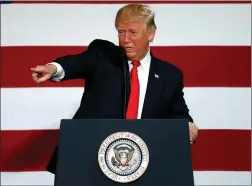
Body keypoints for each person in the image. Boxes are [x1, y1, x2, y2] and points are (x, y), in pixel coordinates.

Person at [31, 4, 198, 174]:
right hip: (91, 159)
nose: (126, 39)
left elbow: (179, 112)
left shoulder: (170, 75)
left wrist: (188, 124)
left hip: (143, 164)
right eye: (121, 32)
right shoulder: (103, 56)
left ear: (151, 33)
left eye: (133, 32)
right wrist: (53, 68)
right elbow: (77, 63)